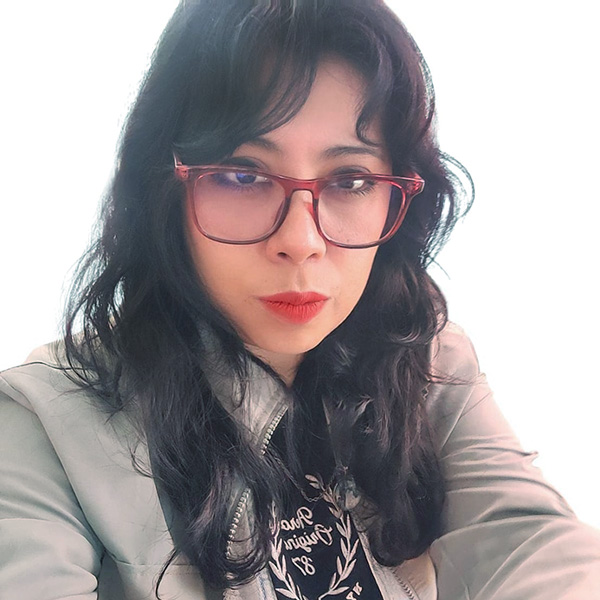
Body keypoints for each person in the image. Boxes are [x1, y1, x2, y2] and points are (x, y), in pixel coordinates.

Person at [1, 0, 599, 598]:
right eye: (242, 175)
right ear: (164, 188)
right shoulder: (41, 424)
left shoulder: (426, 359)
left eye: (351, 180)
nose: (301, 241)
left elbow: (531, 541)